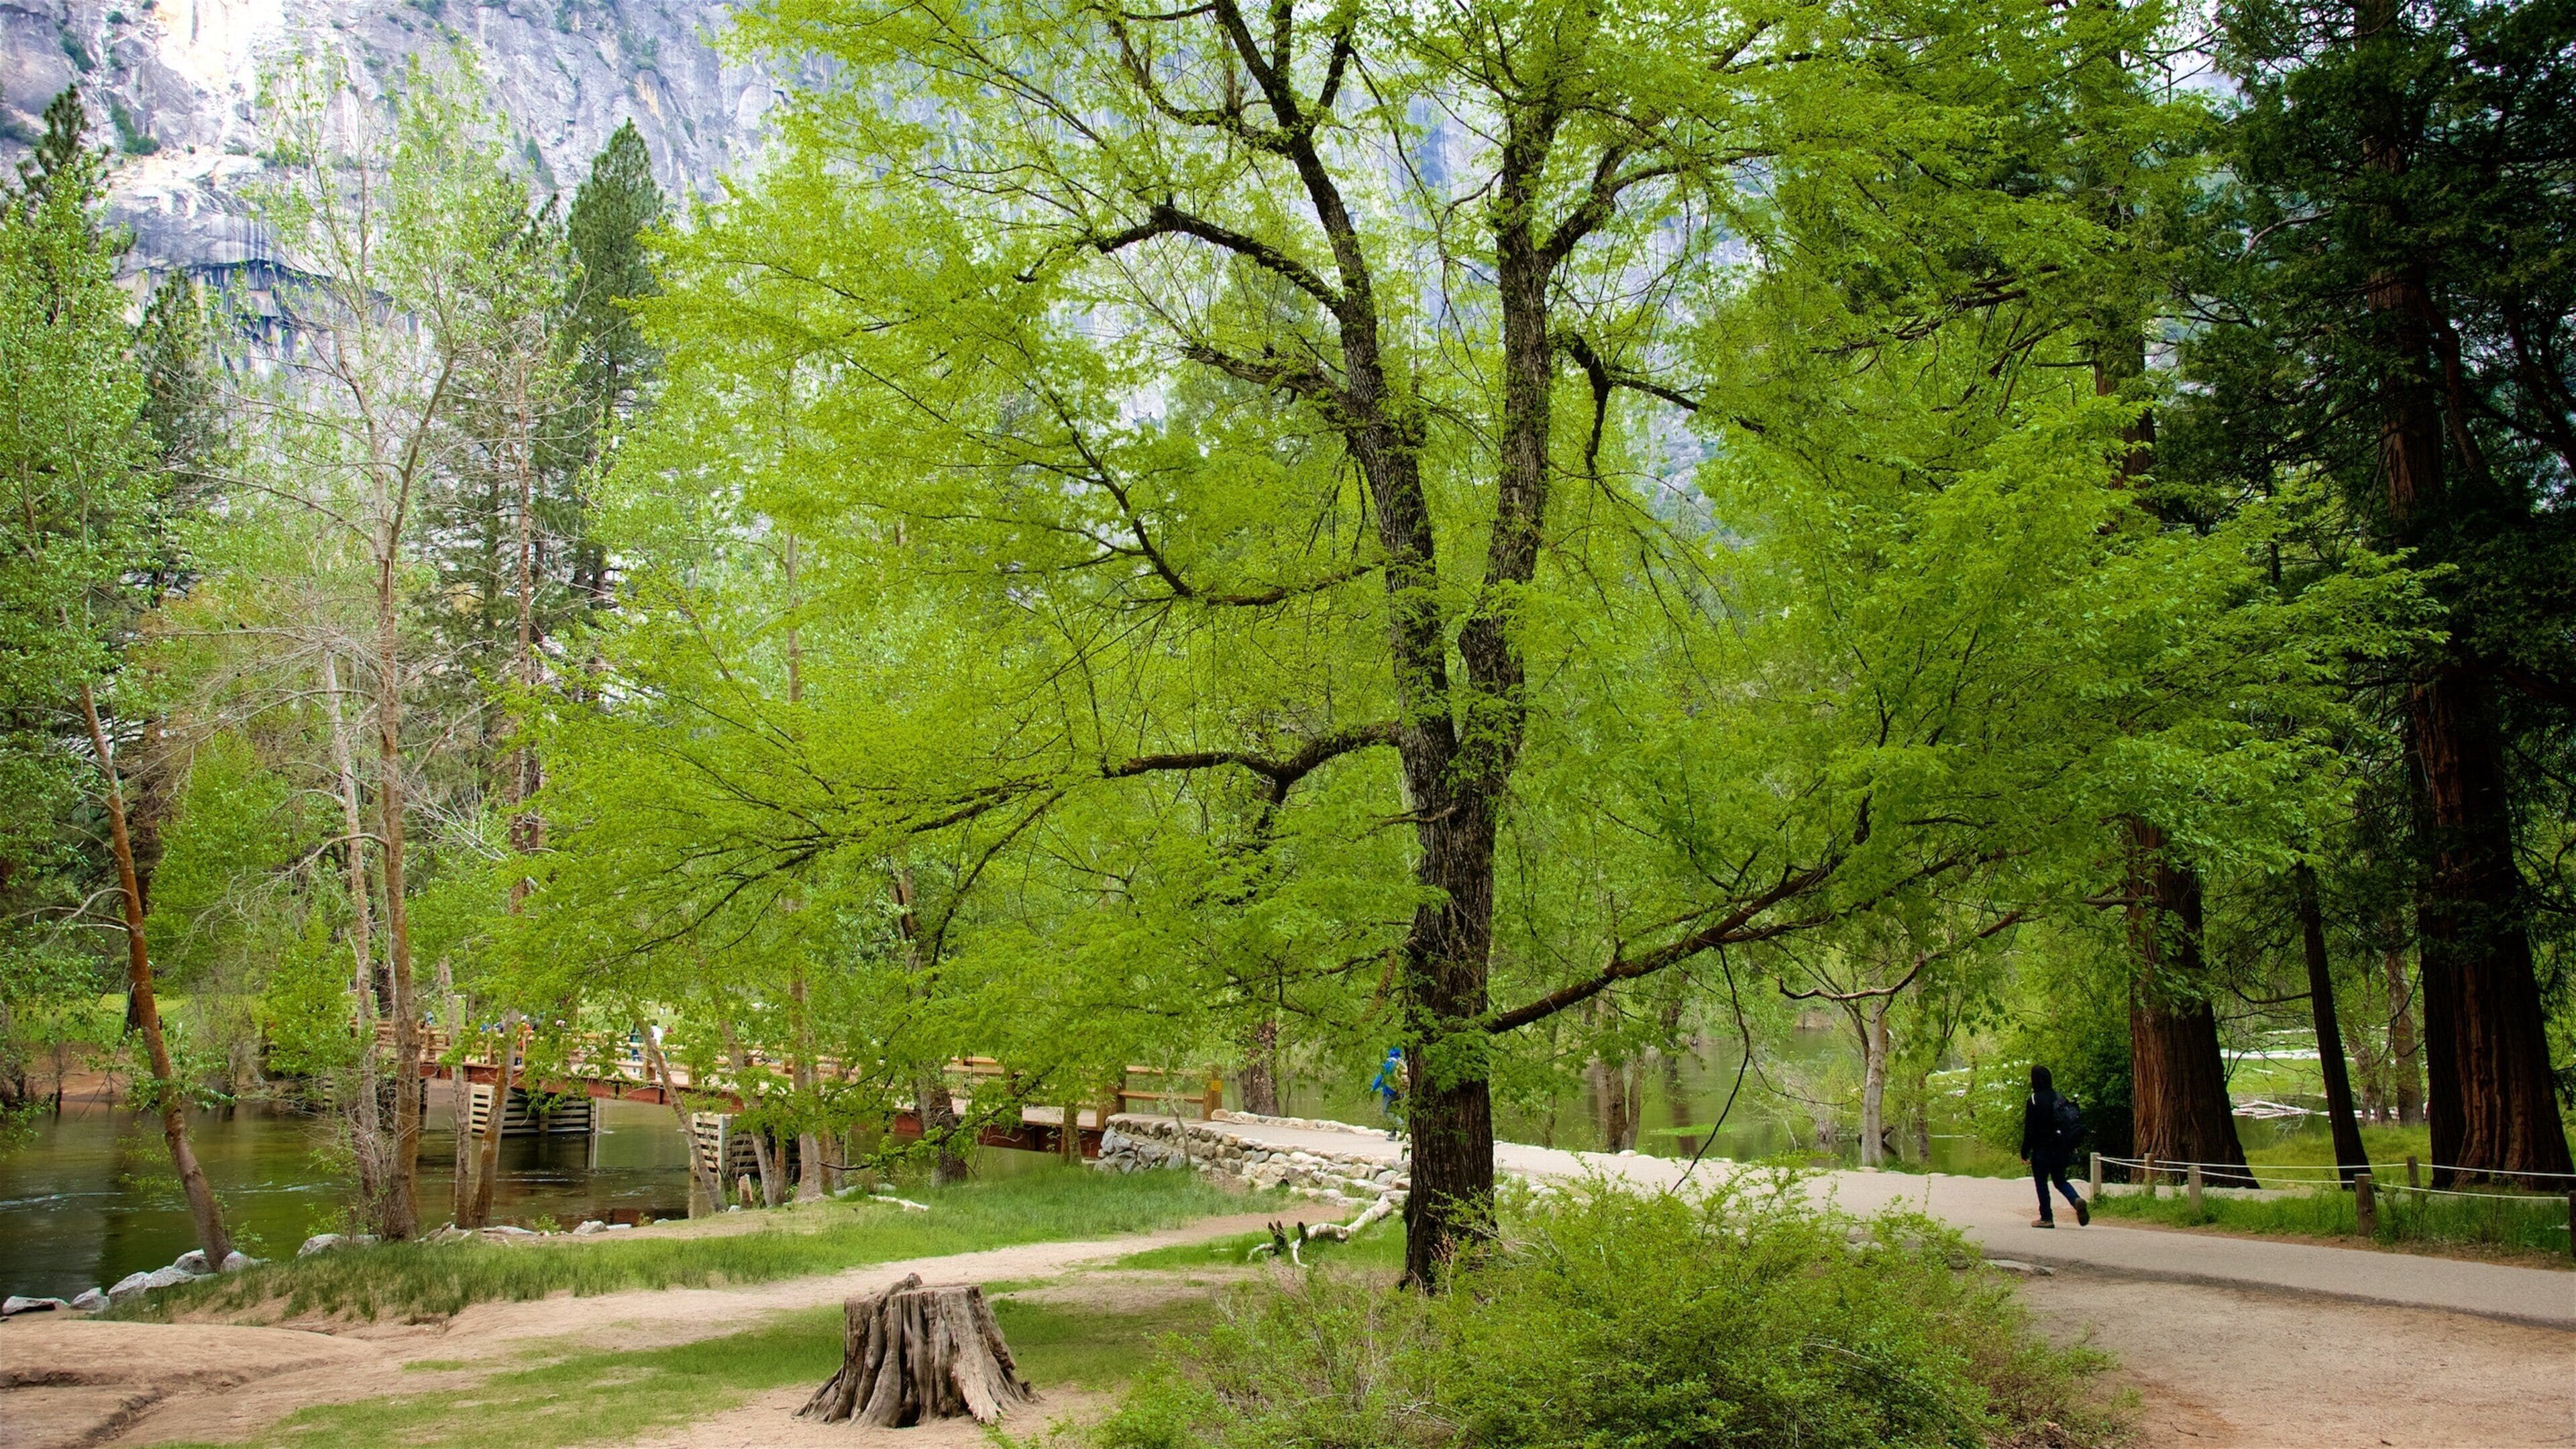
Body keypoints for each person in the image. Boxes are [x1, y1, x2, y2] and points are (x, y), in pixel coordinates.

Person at [2019, 1064, 2090, 1228]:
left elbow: (2029, 1129)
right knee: (2060, 1180)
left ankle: (2046, 1218)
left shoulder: (2034, 1100)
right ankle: (2075, 1199)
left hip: (2042, 1150)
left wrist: (2024, 1151)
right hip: (2060, 1147)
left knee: (2041, 1182)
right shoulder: (2059, 1097)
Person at [1368, 1046, 1406, 1138]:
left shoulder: (1389, 1063)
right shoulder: (1401, 1063)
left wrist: (1373, 1088)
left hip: (1389, 1092)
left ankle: (1402, 1126)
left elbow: (1381, 1077)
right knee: (1394, 1112)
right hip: (1399, 1092)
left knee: (1387, 1112)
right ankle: (1393, 1134)